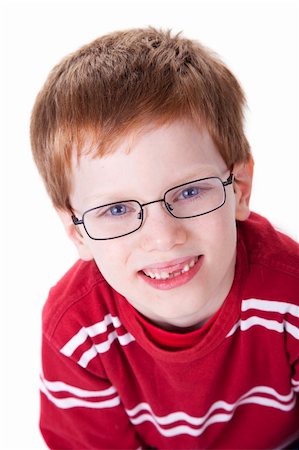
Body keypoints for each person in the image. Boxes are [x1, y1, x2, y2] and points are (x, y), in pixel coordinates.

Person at [30, 27, 299, 449]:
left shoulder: (291, 295)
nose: (162, 238)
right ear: (75, 231)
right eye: (116, 209)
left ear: (240, 189)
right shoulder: (77, 330)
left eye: (190, 192)